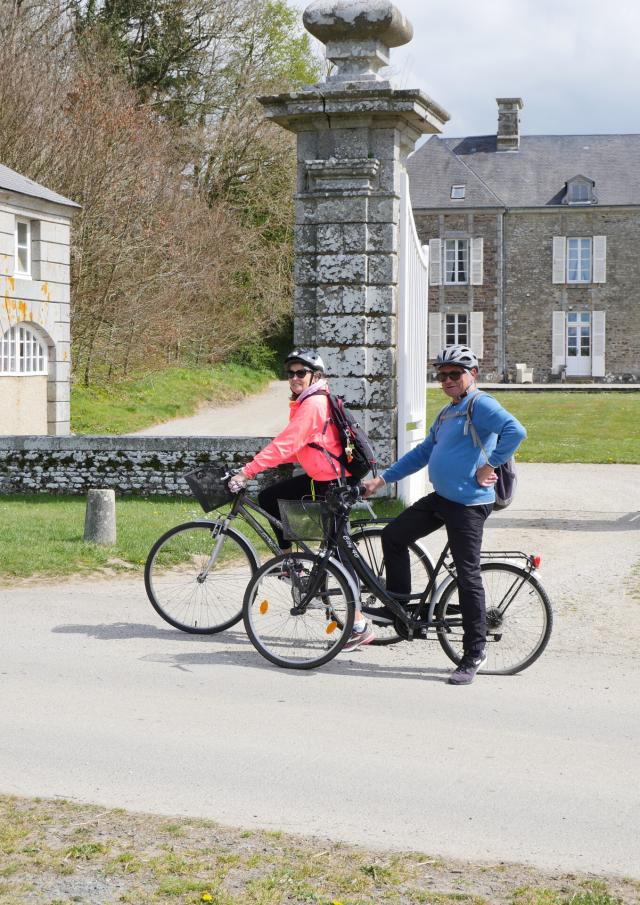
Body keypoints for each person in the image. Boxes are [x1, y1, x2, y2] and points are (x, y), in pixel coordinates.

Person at [362, 344, 526, 685]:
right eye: (442, 375)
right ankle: (400, 607)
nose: (448, 380)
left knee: (467, 576)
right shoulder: (449, 411)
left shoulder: (480, 404)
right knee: (394, 535)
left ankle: (474, 652)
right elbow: (424, 452)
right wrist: (383, 479)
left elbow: (516, 431)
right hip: (442, 498)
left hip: (469, 504)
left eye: (455, 374)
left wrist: (490, 464)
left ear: (472, 376)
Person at [228, 348, 374, 651]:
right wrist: (264, 463)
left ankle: (358, 624)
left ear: (314, 376)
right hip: (322, 478)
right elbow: (302, 446)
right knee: (271, 497)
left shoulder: (313, 404)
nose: (294, 378)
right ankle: (290, 563)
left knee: (337, 552)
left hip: (332, 483)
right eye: (290, 373)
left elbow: (286, 443)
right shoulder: (310, 401)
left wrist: (248, 471)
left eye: (300, 373)